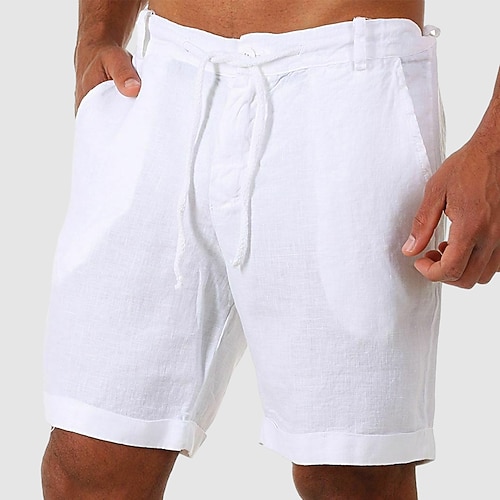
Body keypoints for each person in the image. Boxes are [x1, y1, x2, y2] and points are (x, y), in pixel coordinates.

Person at [41, 0, 500, 498]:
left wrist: (495, 146)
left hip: (346, 90)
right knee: (86, 464)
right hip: (163, 83)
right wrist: (97, 34)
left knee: (350, 473)